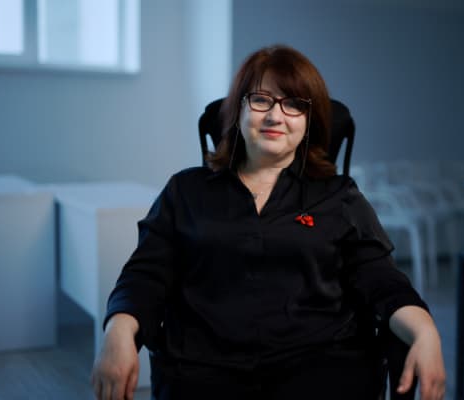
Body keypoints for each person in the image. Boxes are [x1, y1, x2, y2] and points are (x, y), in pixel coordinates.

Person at [91, 44, 445, 400]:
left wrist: (425, 331)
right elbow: (145, 275)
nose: (276, 116)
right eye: (261, 100)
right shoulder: (186, 191)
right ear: (238, 111)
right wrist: (118, 331)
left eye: (294, 104)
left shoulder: (339, 197)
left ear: (308, 122)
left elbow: (382, 281)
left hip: (321, 373)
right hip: (204, 373)